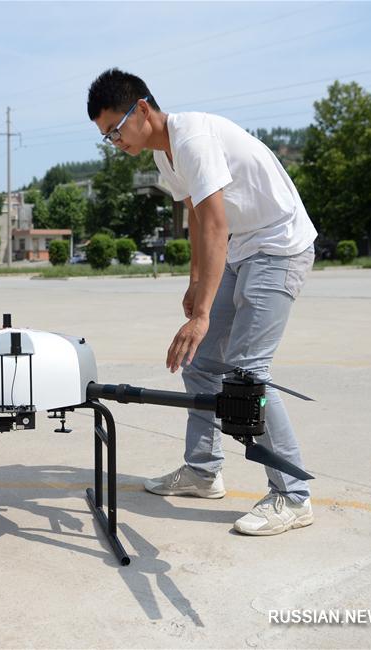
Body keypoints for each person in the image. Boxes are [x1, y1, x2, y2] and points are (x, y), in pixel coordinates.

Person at [87, 69, 318, 536]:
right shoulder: (166, 158)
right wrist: (196, 282)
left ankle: (293, 496)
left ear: (143, 109)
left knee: (248, 374)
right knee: (201, 362)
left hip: (279, 245)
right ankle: (203, 470)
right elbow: (195, 216)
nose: (115, 142)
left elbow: (215, 224)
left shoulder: (192, 139)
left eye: (116, 129)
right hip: (244, 248)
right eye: (106, 137)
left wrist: (203, 313)